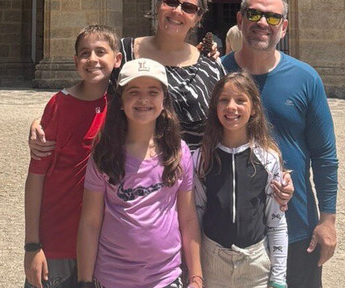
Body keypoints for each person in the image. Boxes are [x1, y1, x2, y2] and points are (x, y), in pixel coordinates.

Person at [223, 0, 339, 288]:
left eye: (273, 17)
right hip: (229, 231)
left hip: (296, 226)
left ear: (284, 27)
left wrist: (328, 221)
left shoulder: (305, 78)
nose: (263, 22)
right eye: (254, 14)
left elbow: (324, 156)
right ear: (240, 20)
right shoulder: (217, 75)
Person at [31, 0, 224, 155]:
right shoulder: (123, 53)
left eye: (189, 7)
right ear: (158, 5)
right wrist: (44, 121)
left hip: (190, 178)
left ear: (198, 17)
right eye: (171, 1)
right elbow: (87, 92)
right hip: (129, 174)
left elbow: (224, 119)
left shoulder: (210, 67)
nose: (177, 11)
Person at [76, 58, 202, 288]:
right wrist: (84, 281)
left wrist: (196, 278)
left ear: (164, 100)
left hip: (165, 277)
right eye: (134, 92)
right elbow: (91, 221)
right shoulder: (105, 152)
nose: (143, 99)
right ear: (121, 101)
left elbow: (188, 216)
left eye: (153, 92)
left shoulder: (178, 151)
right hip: (113, 278)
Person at [24, 26, 122, 288]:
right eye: (84, 53)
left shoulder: (124, 107)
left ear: (118, 59)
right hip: (58, 242)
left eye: (101, 52)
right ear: (75, 61)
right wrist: (32, 245)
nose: (92, 59)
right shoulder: (59, 105)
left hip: (106, 245)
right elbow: (36, 176)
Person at [194, 72, 288, 288]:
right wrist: (193, 271)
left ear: (253, 107)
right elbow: (196, 215)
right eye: (224, 100)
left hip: (255, 265)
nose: (231, 107)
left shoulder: (268, 159)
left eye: (240, 100)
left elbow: (276, 221)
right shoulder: (201, 159)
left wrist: (279, 277)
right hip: (212, 263)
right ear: (215, 107)